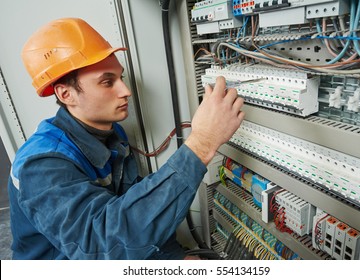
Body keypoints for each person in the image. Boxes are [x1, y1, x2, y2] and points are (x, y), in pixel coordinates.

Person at [8, 18, 244, 260]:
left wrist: (174, 259)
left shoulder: (112, 134)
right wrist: (202, 143)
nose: (125, 91)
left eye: (120, 78)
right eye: (107, 82)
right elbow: (104, 246)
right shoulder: (41, 164)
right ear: (66, 94)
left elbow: (134, 208)